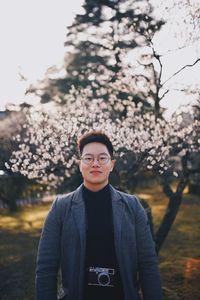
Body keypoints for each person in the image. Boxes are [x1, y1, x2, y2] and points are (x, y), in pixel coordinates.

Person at [35, 131, 163, 300]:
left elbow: (148, 264)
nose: (95, 163)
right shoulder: (61, 208)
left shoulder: (132, 206)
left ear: (112, 164)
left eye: (102, 158)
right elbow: (46, 267)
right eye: (88, 158)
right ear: (80, 164)